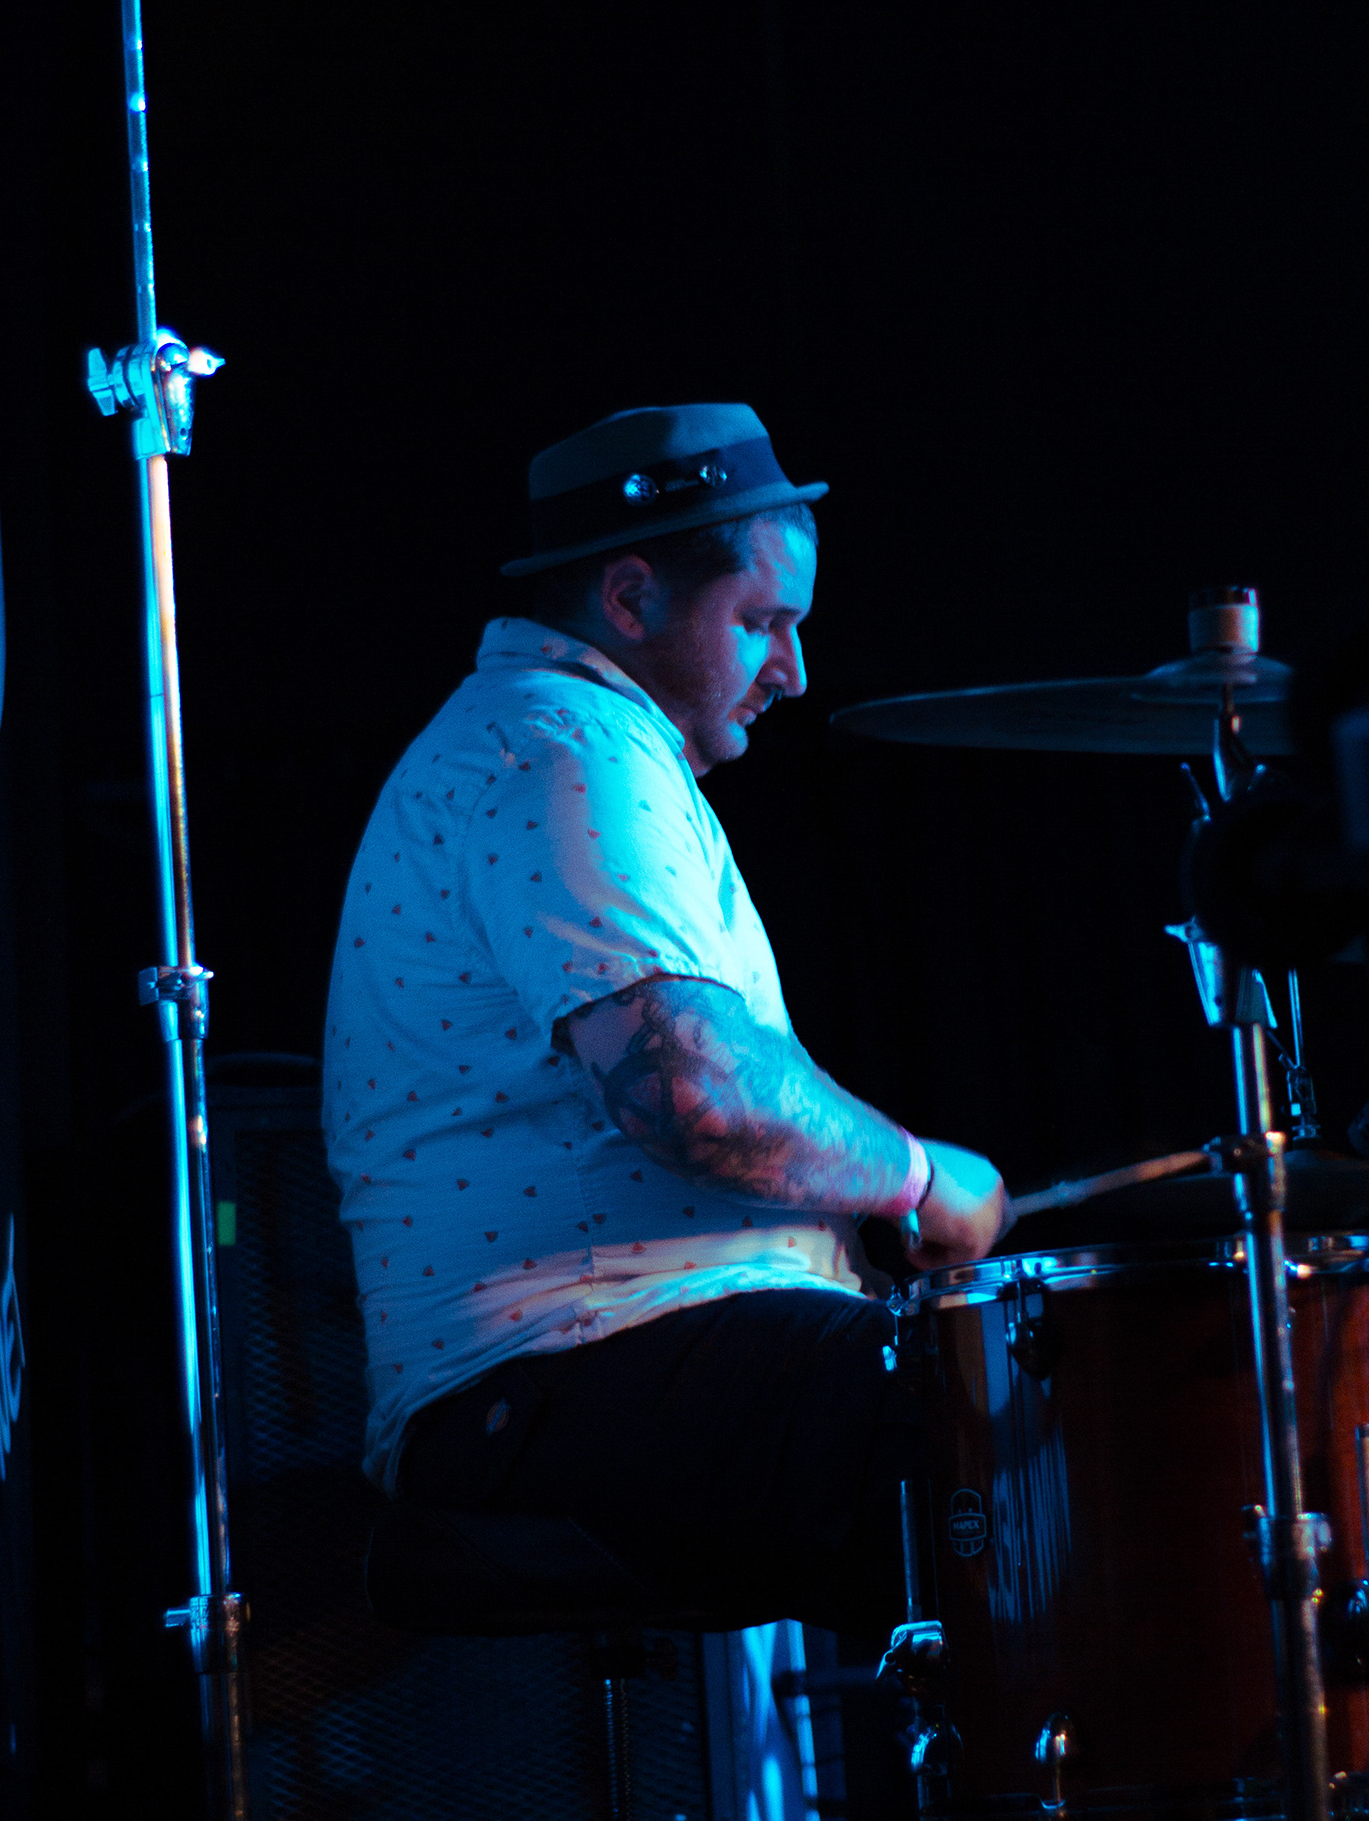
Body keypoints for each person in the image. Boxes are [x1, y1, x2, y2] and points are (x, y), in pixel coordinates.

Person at [324, 402, 1009, 1631]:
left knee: (989, 1398)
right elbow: (694, 1096)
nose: (794, 671)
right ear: (631, 596)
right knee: (995, 1417)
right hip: (545, 1376)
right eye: (761, 622)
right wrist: (917, 1181)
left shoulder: (577, 740)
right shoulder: (563, 747)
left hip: (614, 1357)